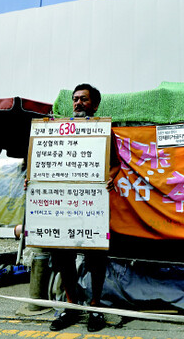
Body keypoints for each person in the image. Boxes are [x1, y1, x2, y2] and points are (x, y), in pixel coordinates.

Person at [48, 83, 119, 332]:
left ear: (95, 105)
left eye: (84, 100)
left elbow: (115, 165)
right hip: (64, 207)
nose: (78, 103)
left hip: (91, 207)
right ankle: (71, 307)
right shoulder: (56, 131)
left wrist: (109, 179)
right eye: (75, 99)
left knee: (96, 257)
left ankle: (95, 308)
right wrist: (33, 180)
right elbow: (43, 165)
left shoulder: (104, 131)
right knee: (63, 255)